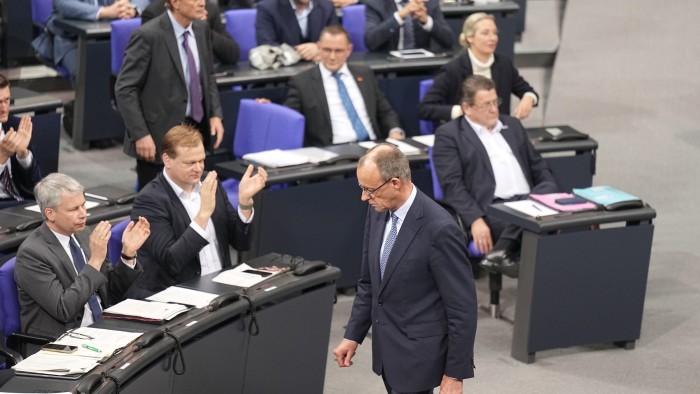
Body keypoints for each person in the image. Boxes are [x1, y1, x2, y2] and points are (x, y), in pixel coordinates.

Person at [332, 144, 477, 393]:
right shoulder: (378, 210)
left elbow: (462, 308)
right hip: (388, 351)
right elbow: (370, 282)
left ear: (395, 183)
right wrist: (353, 335)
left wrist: (455, 373)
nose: (364, 198)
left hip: (420, 357)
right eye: (362, 189)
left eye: (369, 190)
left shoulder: (440, 229)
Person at [432, 75, 557, 277]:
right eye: (485, 105)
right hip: (495, 208)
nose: (493, 109)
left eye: (495, 102)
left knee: (554, 196)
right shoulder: (449, 135)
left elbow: (539, 167)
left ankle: (502, 250)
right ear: (467, 108)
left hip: (532, 200)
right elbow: (452, 185)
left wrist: (549, 192)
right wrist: (475, 220)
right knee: (538, 231)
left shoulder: (512, 125)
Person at [127, 125, 268, 297]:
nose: (198, 168)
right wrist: (203, 214)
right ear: (167, 160)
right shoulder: (149, 201)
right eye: (190, 163)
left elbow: (241, 243)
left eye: (201, 161)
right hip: (176, 296)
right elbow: (172, 262)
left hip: (221, 287)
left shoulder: (210, 184)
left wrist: (244, 203)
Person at [14, 173, 150, 338]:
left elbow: (111, 293)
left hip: (101, 329)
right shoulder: (32, 254)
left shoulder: (84, 234)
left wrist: (127, 255)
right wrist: (95, 261)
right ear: (50, 214)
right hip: (62, 342)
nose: (83, 214)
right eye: (73, 209)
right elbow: (64, 309)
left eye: (83, 205)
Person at [116, 0, 224, 190]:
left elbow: (208, 77)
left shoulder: (202, 28)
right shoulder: (148, 35)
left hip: (195, 127)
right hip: (158, 135)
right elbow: (125, 88)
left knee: (193, 198)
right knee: (157, 208)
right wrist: (140, 133)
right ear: (175, 2)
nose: (202, 2)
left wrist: (215, 113)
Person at [283, 25, 405, 147]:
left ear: (349, 50)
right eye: (327, 50)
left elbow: (385, 111)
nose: (332, 57)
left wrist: (395, 131)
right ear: (319, 48)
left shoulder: (365, 73)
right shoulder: (302, 82)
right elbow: (288, 119)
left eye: (338, 51)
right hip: (333, 152)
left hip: (372, 147)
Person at [418, 12, 538, 124]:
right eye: (485, 33)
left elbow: (529, 92)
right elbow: (425, 108)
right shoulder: (453, 69)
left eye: (495, 33)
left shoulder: (504, 63)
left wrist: (528, 98)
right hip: (465, 134)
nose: (493, 38)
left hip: (498, 130)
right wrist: (462, 111)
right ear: (470, 38)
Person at [40, 0, 149, 79]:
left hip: (112, 37)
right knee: (88, 74)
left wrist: (133, 9)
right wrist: (104, 12)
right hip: (72, 39)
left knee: (138, 69)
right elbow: (64, 4)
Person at [141, 0, 240, 64]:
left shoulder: (209, 9)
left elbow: (232, 55)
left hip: (206, 83)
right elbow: (152, 62)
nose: (202, 3)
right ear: (175, 2)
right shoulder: (153, 13)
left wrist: (203, 29)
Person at [0, 74, 42, 208]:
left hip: (22, 201)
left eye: (7, 100)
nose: (4, 108)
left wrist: (23, 155)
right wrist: (1, 159)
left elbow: (37, 184)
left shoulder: (17, 126)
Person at [255, 0, 339, 61]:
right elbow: (266, 45)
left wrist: (318, 47)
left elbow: (336, 39)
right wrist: (301, 52)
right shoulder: (267, 8)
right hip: (284, 71)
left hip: (319, 67)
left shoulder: (327, 6)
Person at [364, 0, 453, 52]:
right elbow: (370, 41)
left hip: (422, 66)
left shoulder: (428, 3)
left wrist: (426, 21)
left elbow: (449, 41)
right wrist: (399, 16)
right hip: (388, 67)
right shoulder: (375, 3)